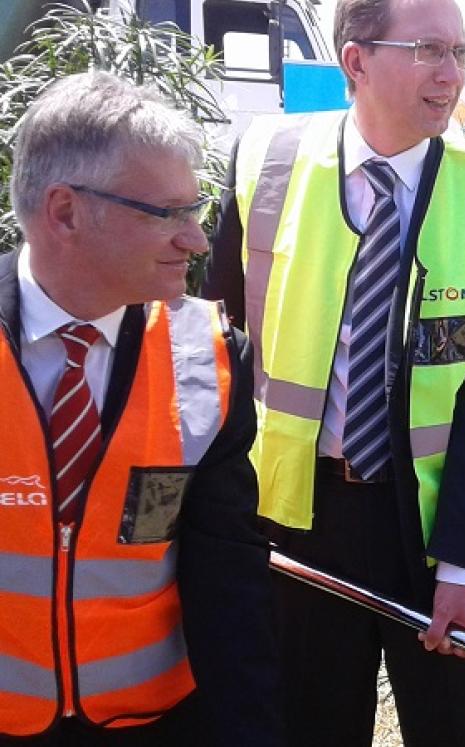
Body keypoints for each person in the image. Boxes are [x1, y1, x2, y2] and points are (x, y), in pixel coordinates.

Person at [203, 0, 465, 743]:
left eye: (461, 52)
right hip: (298, 513)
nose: (452, 74)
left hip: (437, 520)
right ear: (356, 61)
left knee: (450, 727)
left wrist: (460, 565)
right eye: (429, 50)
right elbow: (213, 340)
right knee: (310, 724)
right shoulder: (263, 159)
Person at [0, 72, 279, 746]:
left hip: (155, 725)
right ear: (64, 212)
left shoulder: (208, 358)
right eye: (167, 213)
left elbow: (229, 586)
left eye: (196, 209)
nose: (198, 240)